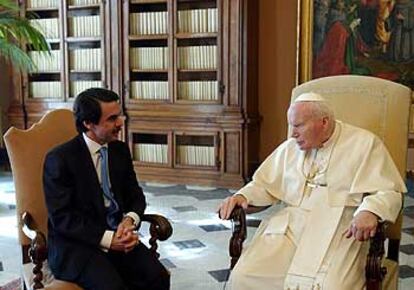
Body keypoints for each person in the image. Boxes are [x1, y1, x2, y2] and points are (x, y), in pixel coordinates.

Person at [218, 92, 406, 290]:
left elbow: (389, 191)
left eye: (298, 126)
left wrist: (370, 211)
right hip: (292, 226)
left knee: (332, 286)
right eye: (291, 126)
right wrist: (242, 196)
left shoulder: (364, 144)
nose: (292, 134)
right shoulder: (292, 147)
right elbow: (264, 184)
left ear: (324, 122)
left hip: (341, 227)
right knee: (244, 276)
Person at [43, 88, 170, 290]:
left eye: (119, 115)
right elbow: (62, 218)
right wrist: (109, 240)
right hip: (76, 246)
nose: (121, 122)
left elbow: (136, 196)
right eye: (112, 118)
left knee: (158, 277)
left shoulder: (119, 150)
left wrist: (129, 220)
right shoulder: (60, 160)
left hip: (118, 236)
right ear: (88, 124)